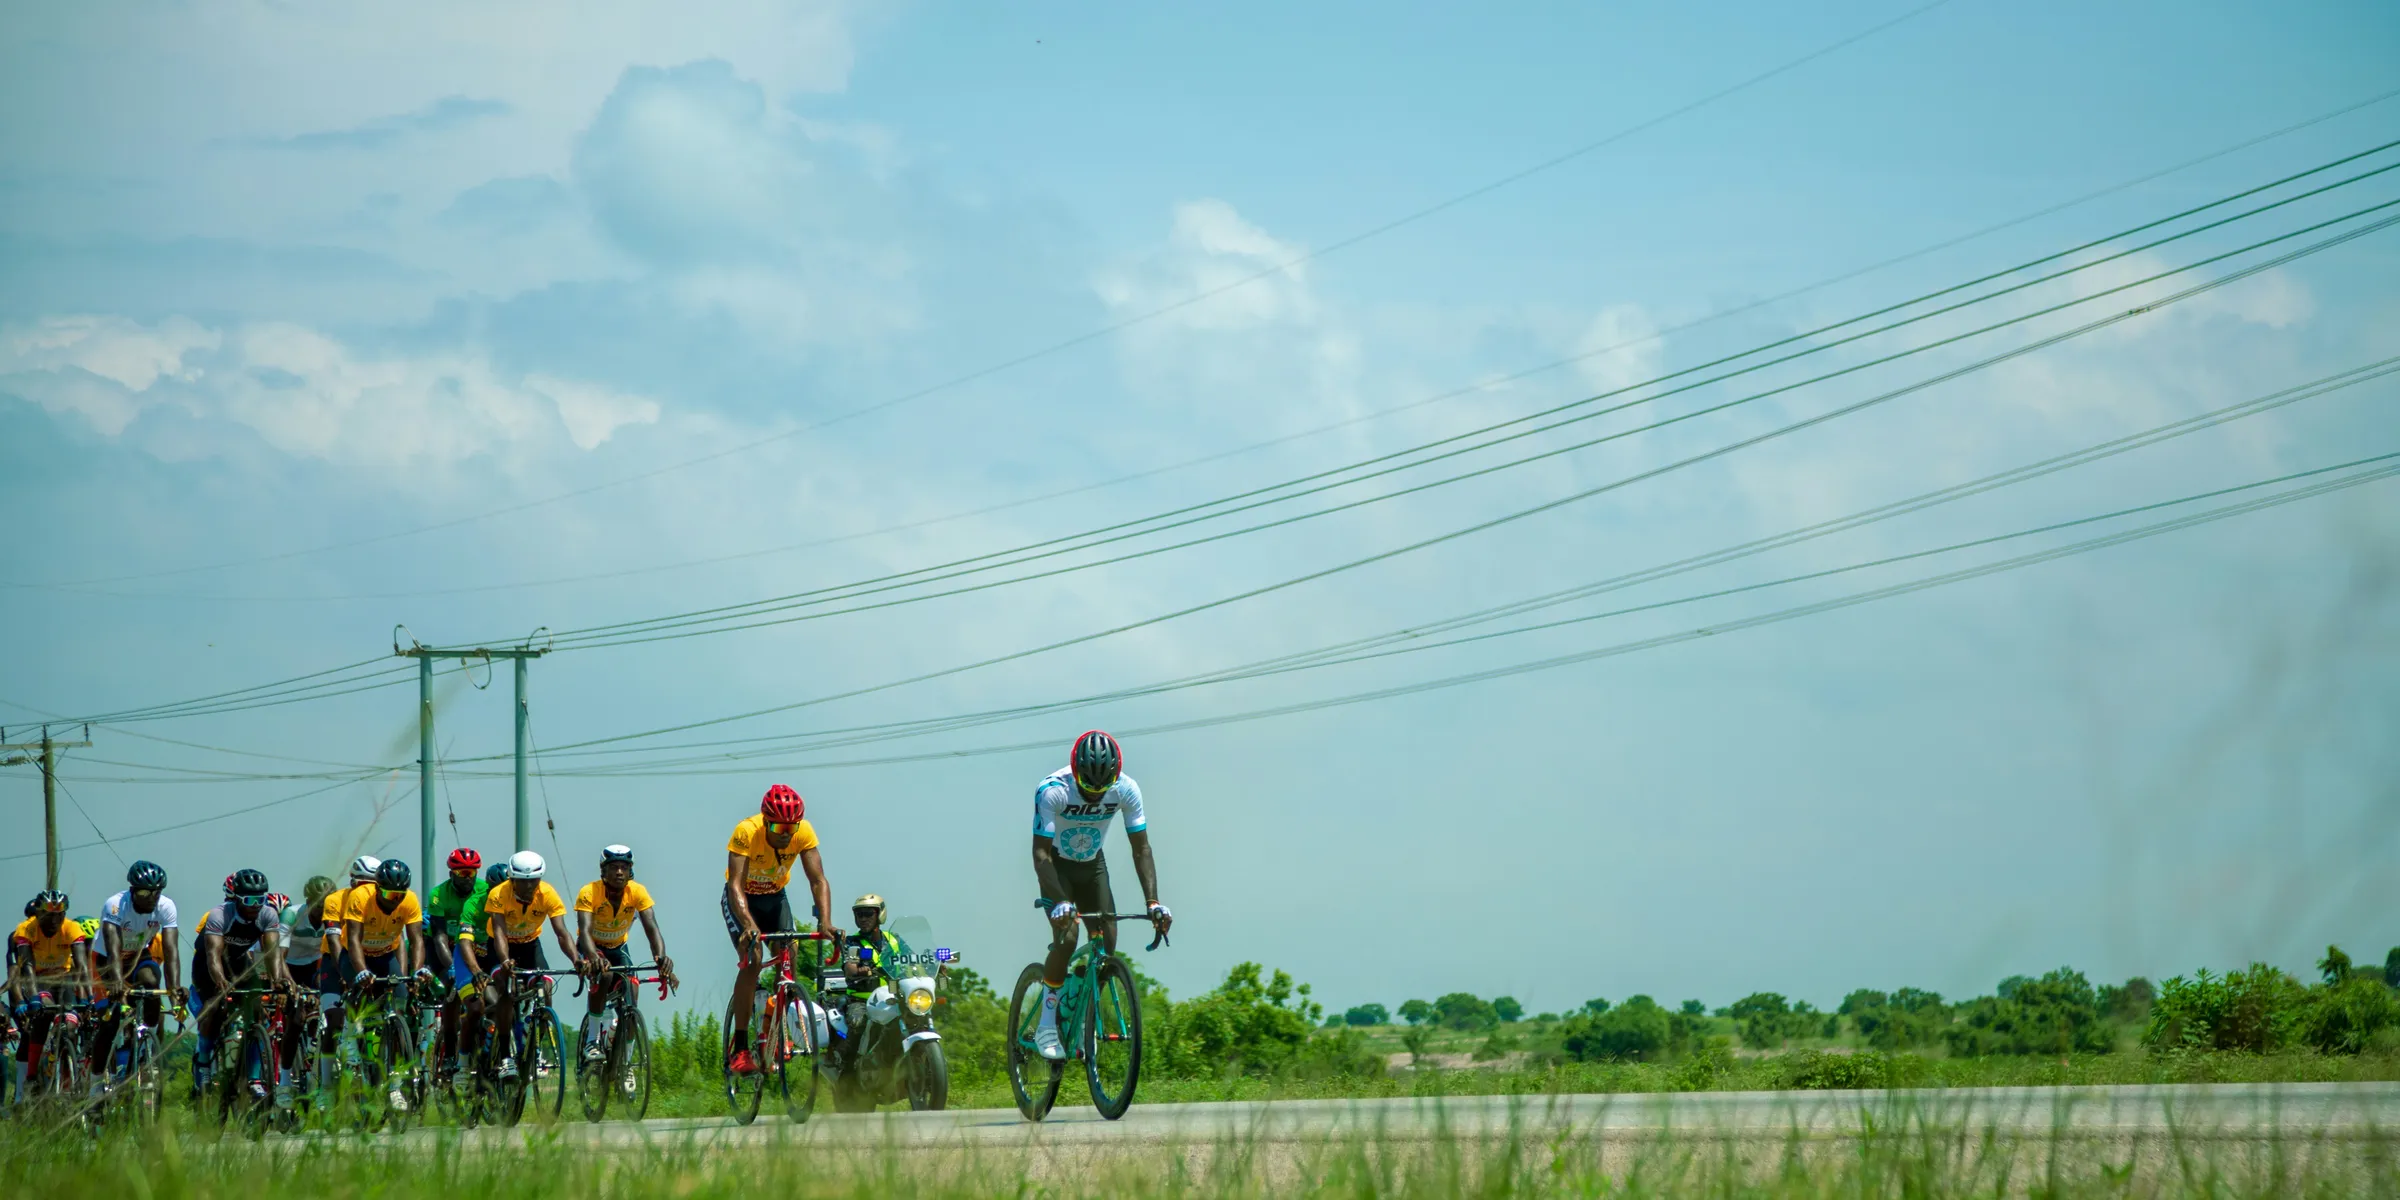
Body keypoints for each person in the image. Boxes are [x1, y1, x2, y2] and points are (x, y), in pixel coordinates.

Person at [1029, 731, 1171, 1060]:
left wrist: (1153, 902)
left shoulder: (1126, 789)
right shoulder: (1052, 790)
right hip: (1057, 868)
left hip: (1093, 866)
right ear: (1075, 772)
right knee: (1068, 936)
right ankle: (1048, 1020)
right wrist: (1061, 901)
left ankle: (1079, 1008)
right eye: (1087, 790)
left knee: (1107, 941)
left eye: (1101, 791)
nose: (1094, 798)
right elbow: (1040, 855)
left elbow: (1142, 848)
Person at [722, 784, 835, 1075]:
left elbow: (818, 880)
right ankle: (742, 1047)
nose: (786, 833)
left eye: (791, 827)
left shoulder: (803, 832)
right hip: (743, 900)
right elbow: (735, 885)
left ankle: (776, 1028)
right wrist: (748, 925)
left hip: (775, 897)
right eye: (778, 826)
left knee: (790, 953)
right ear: (765, 820)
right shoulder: (747, 831)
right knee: (754, 959)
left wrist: (825, 922)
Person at [188, 870, 287, 1102]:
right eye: (249, 901)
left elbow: (273, 953)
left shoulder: (268, 914)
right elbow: (213, 955)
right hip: (208, 966)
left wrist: (277, 981)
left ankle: (253, 1080)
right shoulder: (219, 915)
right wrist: (221, 983)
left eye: (261, 900)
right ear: (236, 899)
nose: (256, 906)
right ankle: (203, 1062)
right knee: (215, 1009)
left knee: (257, 1012)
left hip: (239, 962)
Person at [480, 851, 580, 1080]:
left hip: (530, 946)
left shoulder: (548, 894)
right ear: (512, 879)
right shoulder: (499, 893)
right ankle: (505, 1056)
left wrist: (577, 960)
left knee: (545, 989)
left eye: (533, 881)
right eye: (523, 882)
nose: (528, 886)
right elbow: (499, 932)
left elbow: (562, 933)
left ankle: (534, 1049)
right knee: (507, 989)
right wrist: (505, 961)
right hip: (500, 947)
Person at [572, 845, 677, 1062]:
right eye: (614, 867)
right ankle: (592, 1039)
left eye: (624, 867)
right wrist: (592, 958)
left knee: (632, 993)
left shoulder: (637, 892)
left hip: (618, 947)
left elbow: (652, 927)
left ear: (630, 871)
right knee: (606, 975)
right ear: (603, 871)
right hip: (591, 945)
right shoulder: (589, 892)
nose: (619, 872)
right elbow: (584, 931)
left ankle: (627, 1063)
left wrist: (661, 958)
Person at [89, 860, 180, 1077]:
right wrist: (117, 983)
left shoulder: (166, 906)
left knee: (150, 983)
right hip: (106, 960)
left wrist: (174, 990)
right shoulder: (115, 904)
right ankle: (96, 1083)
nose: (150, 898)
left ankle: (144, 1043)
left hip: (138, 956)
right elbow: (112, 947)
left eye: (155, 893)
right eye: (143, 893)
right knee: (109, 1024)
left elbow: (171, 951)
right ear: (132, 890)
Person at [6, 890, 96, 1102]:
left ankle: (66, 1078)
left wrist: (89, 997)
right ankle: (31, 1077)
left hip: (63, 979)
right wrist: (32, 997)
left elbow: (82, 966)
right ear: (38, 914)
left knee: (71, 1026)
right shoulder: (26, 929)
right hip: (38, 979)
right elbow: (26, 966)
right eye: (49, 915)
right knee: (44, 1013)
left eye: (60, 915)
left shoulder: (72, 928)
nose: (55, 920)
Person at [826, 893, 904, 1077]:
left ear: (879, 915)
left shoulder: (895, 940)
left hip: (893, 998)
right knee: (858, 1023)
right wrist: (862, 970)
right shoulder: (852, 942)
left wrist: (935, 965)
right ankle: (846, 1071)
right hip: (861, 1000)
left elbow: (912, 958)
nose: (863, 919)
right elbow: (850, 967)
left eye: (868, 914)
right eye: (859, 914)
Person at [423, 850, 488, 1070]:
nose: (468, 877)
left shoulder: (484, 890)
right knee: (452, 988)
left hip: (470, 944)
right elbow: (440, 936)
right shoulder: (438, 894)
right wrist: (451, 967)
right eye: (463, 872)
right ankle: (449, 1051)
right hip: (443, 946)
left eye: (472, 872)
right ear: (452, 873)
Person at [277, 876, 337, 1098]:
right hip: (290, 965)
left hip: (316, 965)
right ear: (308, 900)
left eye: (328, 904)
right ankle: (284, 1081)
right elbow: (279, 956)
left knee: (327, 1015)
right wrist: (289, 984)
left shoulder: (333, 916)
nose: (323, 910)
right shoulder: (291, 914)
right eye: (319, 905)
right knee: (296, 1019)